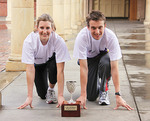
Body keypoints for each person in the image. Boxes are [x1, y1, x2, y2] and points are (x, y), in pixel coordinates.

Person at [73, 10, 133, 110]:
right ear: (88, 27)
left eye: (100, 27)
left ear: (104, 26)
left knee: (107, 62)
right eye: (93, 28)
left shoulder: (111, 37)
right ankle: (96, 81)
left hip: (103, 57)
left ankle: (103, 89)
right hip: (90, 60)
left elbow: (114, 67)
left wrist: (118, 95)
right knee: (91, 97)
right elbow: (83, 67)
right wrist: (83, 95)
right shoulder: (82, 37)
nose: (97, 32)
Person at [18, 14, 70, 109]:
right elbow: (29, 69)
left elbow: (60, 70)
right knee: (42, 95)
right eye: (41, 28)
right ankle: (45, 90)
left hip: (51, 61)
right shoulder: (29, 41)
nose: (44, 31)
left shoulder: (58, 41)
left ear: (53, 28)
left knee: (54, 67)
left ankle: (51, 89)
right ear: (37, 28)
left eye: (48, 28)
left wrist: (60, 96)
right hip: (38, 65)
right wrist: (29, 97)